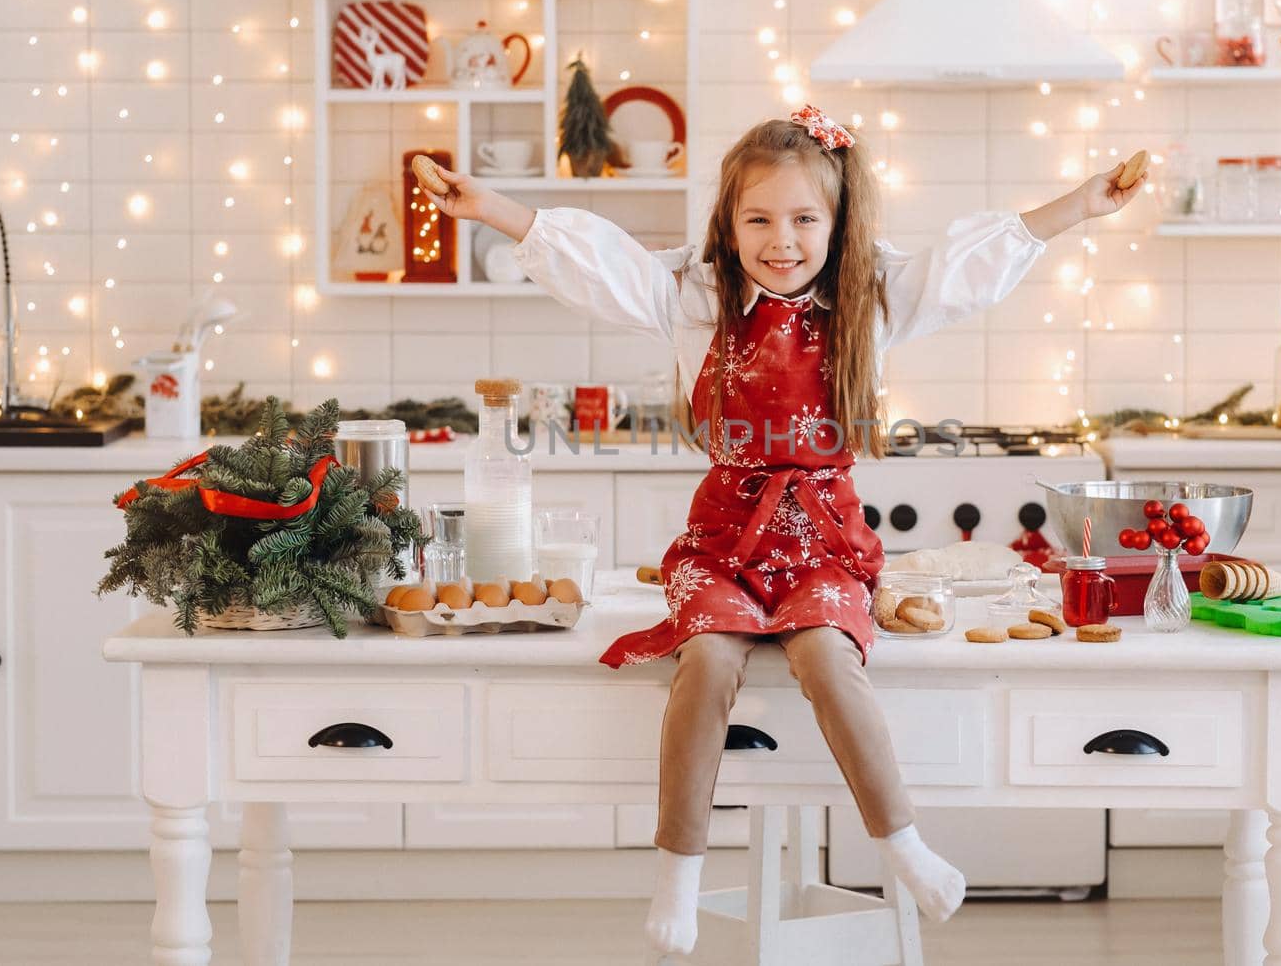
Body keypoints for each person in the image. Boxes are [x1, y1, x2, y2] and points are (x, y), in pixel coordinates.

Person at [425, 105, 1143, 958]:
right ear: (728, 224)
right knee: (707, 659)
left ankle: (901, 843)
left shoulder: (870, 301)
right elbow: (599, 261)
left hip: (826, 538)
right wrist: (493, 208)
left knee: (828, 657)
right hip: (722, 538)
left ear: (838, 226)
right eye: (758, 218)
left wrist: (1080, 202)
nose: (782, 239)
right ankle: (678, 869)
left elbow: (969, 266)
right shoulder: (695, 299)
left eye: (805, 219)